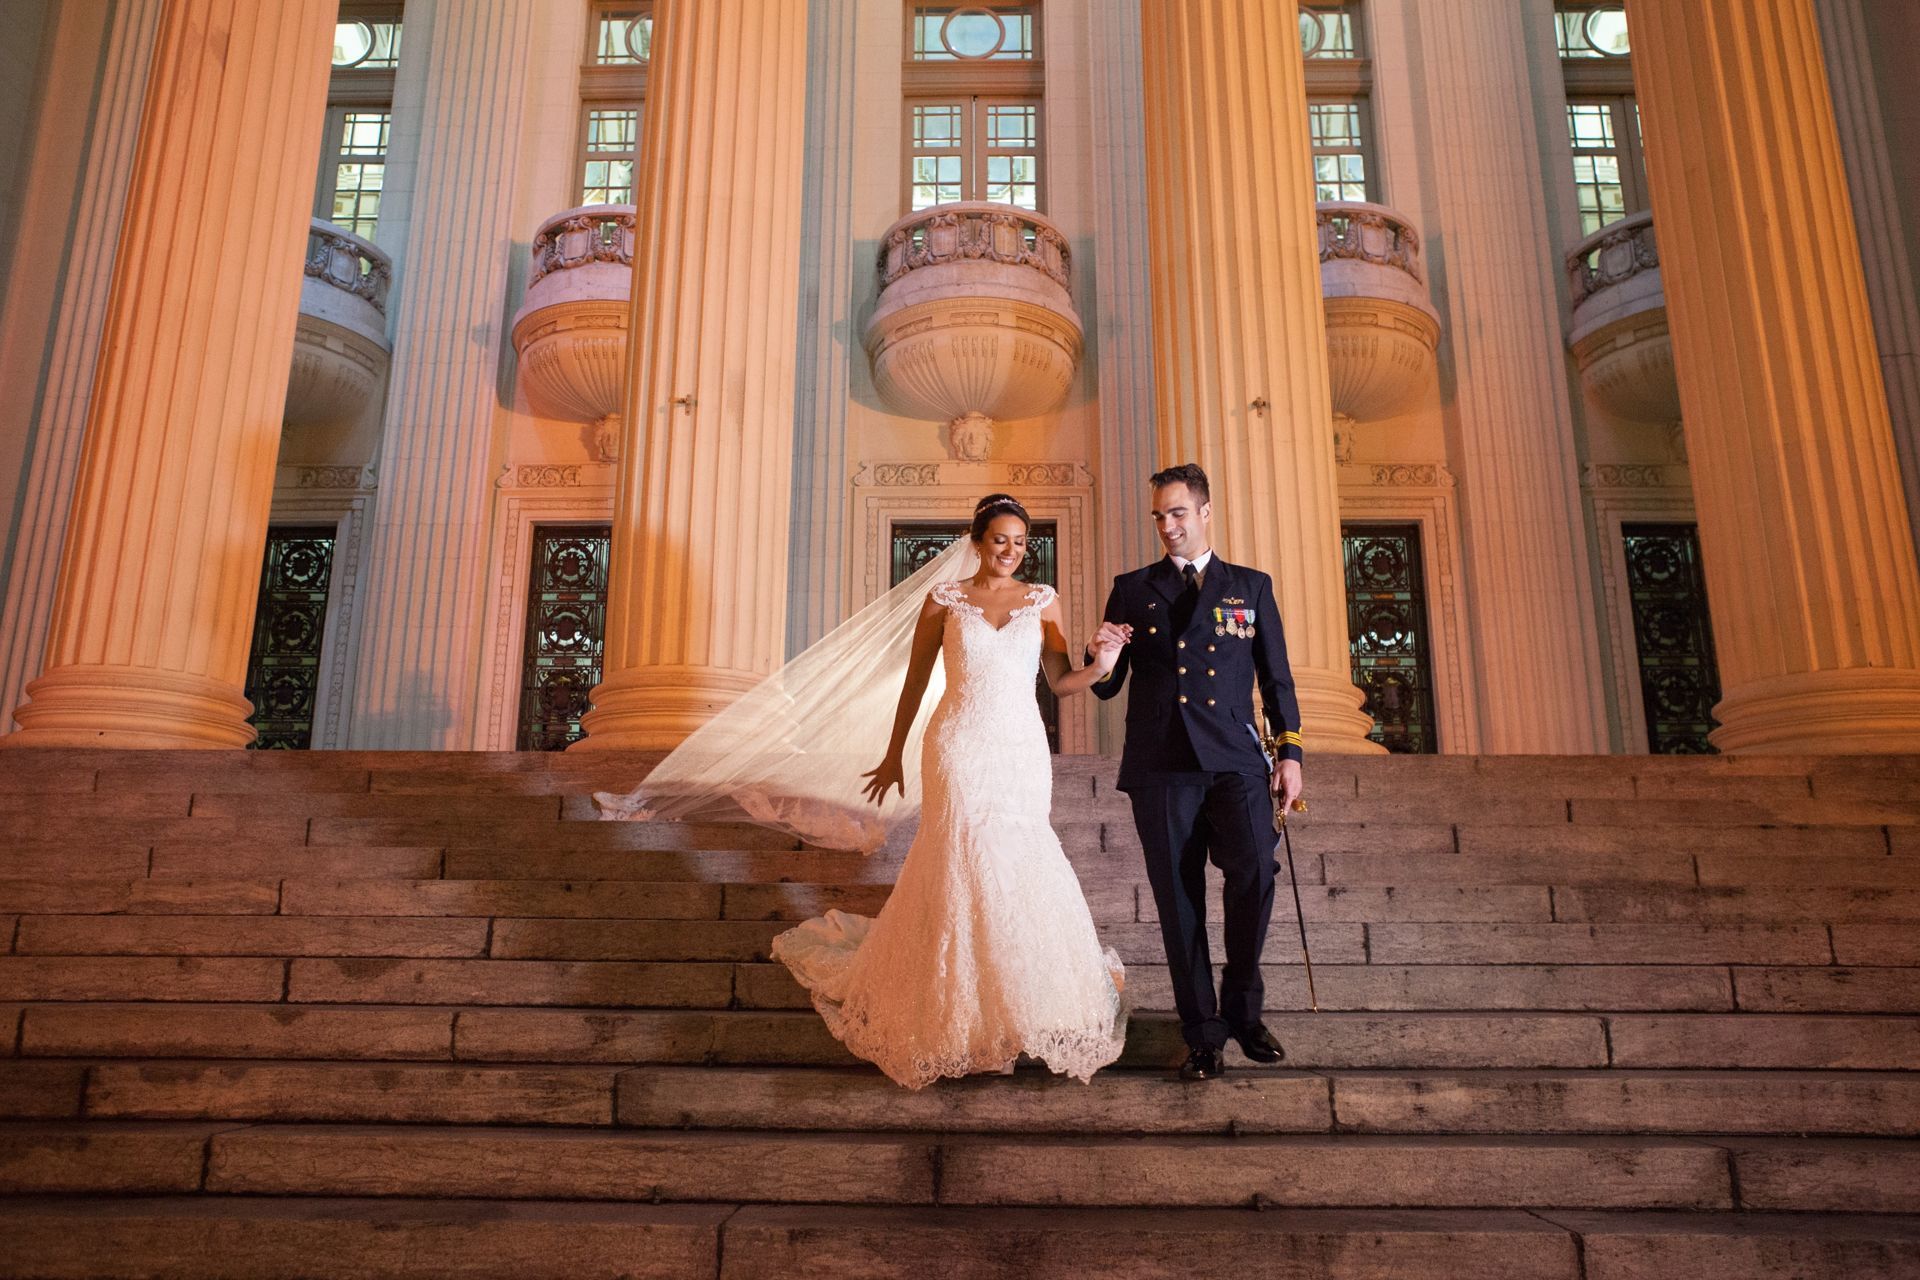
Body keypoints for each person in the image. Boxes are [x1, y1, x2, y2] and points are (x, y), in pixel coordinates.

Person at [768, 494, 1130, 1088]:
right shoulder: (945, 600)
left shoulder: (1043, 602)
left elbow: (1064, 683)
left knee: (1017, 858)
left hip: (1019, 750)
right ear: (977, 540)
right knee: (962, 856)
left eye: (1020, 542)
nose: (1011, 552)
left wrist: (1106, 663)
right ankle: (959, 1012)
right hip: (958, 746)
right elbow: (914, 682)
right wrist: (892, 755)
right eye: (999, 541)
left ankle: (1023, 1006)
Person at [1088, 463, 1306, 1082]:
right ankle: (1203, 1032)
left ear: (1205, 512)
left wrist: (1289, 753)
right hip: (1162, 763)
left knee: (1256, 871)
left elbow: (1277, 678)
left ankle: (1242, 1009)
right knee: (1178, 902)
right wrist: (1099, 654)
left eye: (1178, 513)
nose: (1167, 525)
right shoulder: (1133, 587)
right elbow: (1107, 687)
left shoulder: (1250, 587)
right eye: (1159, 515)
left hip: (1236, 757)